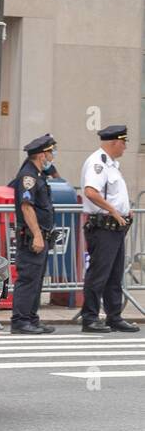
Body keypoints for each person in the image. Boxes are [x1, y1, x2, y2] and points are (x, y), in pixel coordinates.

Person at [78, 124, 139, 333]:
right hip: (102, 228)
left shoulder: (112, 165)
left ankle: (114, 316)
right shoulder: (98, 163)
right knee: (99, 274)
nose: (125, 147)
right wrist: (113, 210)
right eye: (123, 143)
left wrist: (124, 210)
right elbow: (90, 191)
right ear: (115, 142)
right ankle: (90, 317)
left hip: (115, 229)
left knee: (114, 275)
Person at [9, 134, 60, 334]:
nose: (52, 156)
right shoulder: (28, 176)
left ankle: (31, 318)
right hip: (31, 238)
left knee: (37, 279)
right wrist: (37, 235)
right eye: (50, 152)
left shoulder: (39, 175)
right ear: (41, 155)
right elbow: (27, 207)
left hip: (40, 237)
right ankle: (20, 321)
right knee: (28, 279)